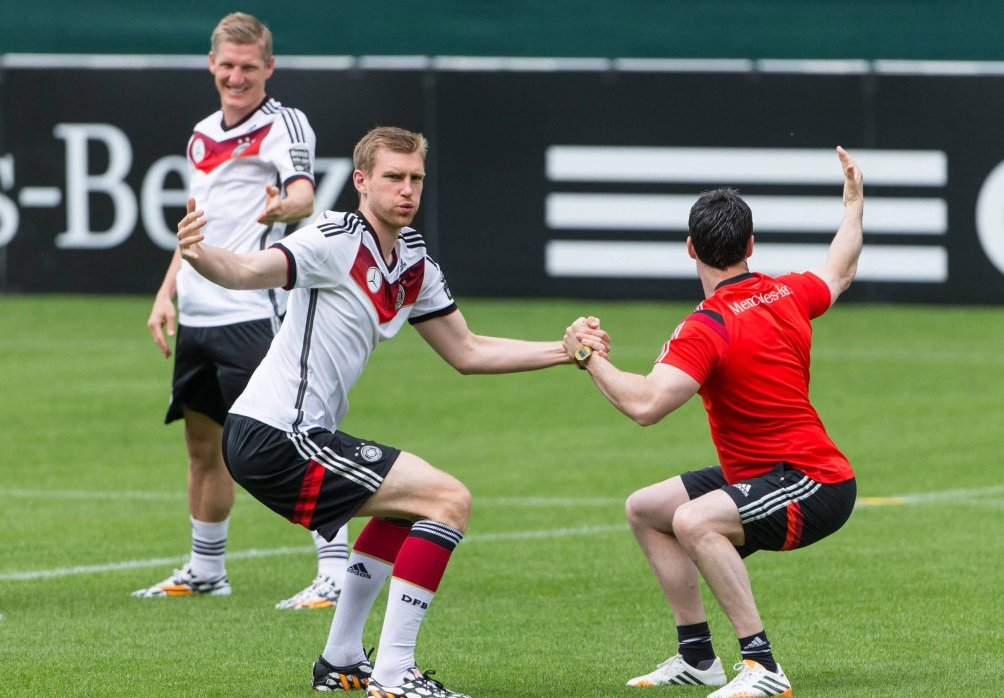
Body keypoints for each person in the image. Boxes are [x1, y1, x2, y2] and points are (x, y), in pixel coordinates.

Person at [177, 126, 599, 698]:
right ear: (360, 182)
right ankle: (396, 676)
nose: (406, 190)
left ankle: (341, 660)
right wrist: (199, 255)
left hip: (293, 435)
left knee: (408, 508)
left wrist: (563, 351)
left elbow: (466, 351)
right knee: (447, 499)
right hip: (274, 434)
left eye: (416, 178)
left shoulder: (414, 261)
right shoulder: (332, 237)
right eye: (393, 177)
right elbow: (248, 272)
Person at [564, 147, 863, 697]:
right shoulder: (785, 290)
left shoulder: (706, 327)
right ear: (750, 246)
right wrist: (853, 202)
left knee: (693, 521)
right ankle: (698, 656)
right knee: (647, 510)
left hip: (812, 481)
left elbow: (646, 406)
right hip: (766, 470)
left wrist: (586, 355)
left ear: (690, 249)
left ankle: (763, 667)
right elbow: (840, 268)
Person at [132, 12, 350, 610]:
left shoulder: (283, 123)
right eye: (226, 65)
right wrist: (166, 293)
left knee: (293, 437)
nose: (236, 77)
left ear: (268, 68)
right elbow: (194, 229)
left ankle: (336, 570)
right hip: (199, 315)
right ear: (211, 64)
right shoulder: (202, 132)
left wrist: (284, 208)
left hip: (253, 310)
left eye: (248, 67)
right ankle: (206, 568)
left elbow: (302, 192)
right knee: (204, 447)